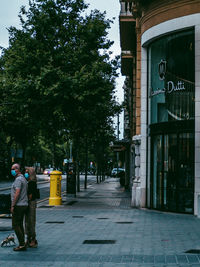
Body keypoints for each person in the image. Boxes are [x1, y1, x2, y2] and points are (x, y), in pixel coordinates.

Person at [11, 163, 28, 251]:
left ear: (18, 169)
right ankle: (23, 242)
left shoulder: (18, 180)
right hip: (24, 204)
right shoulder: (23, 179)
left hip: (19, 205)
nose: (12, 171)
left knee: (15, 225)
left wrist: (13, 205)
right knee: (20, 224)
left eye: (13, 169)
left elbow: (17, 193)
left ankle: (21, 244)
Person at [24, 167, 38, 248]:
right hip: (28, 204)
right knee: (27, 221)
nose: (26, 173)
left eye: (27, 172)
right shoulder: (28, 182)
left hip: (31, 204)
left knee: (31, 221)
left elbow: (30, 196)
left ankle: (33, 239)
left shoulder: (32, 183)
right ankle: (28, 238)